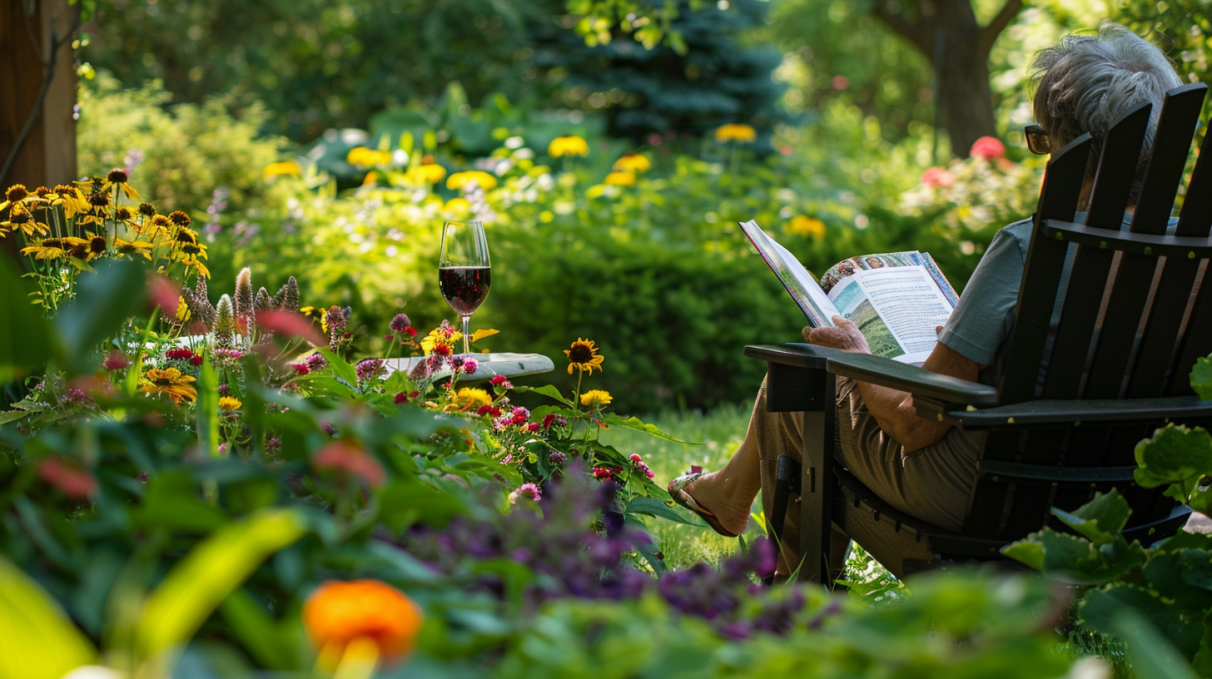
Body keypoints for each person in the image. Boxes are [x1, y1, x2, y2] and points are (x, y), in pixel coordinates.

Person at [668, 22, 1184, 575]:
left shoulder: (1028, 248)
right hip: (1133, 499)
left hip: (995, 500)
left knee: (801, 379)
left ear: (1067, 145)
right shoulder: (1195, 252)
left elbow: (915, 427)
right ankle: (730, 498)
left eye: (1042, 139)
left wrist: (858, 354)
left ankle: (791, 585)